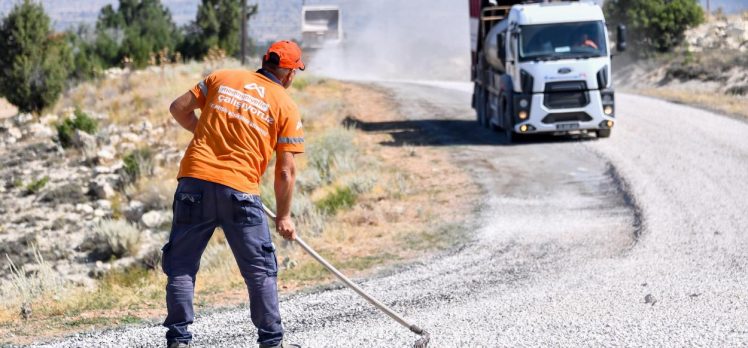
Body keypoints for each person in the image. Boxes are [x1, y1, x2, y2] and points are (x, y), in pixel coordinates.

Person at [162, 40, 306, 348]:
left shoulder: (222, 77)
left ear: (264, 61)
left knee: (182, 266)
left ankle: (178, 340)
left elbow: (177, 108)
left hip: (194, 183)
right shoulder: (286, 105)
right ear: (290, 72)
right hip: (240, 192)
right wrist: (283, 216)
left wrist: (205, 132)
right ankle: (271, 343)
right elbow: (285, 172)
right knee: (259, 272)